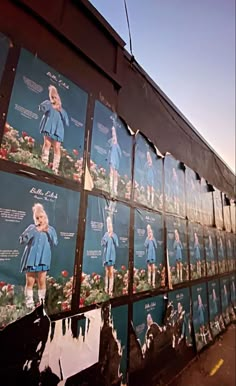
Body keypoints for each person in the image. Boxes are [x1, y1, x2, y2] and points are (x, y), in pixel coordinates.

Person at [19, 203, 58, 308]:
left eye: (41, 217)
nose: (40, 219)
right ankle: (29, 303)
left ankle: (42, 302)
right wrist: (34, 230)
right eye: (37, 217)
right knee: (30, 280)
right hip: (31, 259)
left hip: (43, 259)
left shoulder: (50, 229)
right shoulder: (32, 227)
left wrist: (47, 230)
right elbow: (22, 240)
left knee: (42, 280)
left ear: (45, 216)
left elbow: (55, 242)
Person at [39, 85, 69, 175]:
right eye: (52, 96)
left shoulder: (61, 110)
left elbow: (67, 122)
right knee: (47, 144)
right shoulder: (48, 104)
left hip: (58, 130)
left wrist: (60, 110)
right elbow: (41, 108)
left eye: (55, 97)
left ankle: (55, 169)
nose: (54, 98)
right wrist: (50, 103)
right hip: (48, 127)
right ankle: (43, 164)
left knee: (57, 147)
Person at [101, 216, 119, 296]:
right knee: (106, 273)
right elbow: (102, 243)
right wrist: (106, 239)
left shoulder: (114, 235)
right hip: (106, 256)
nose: (109, 228)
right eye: (108, 226)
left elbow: (117, 244)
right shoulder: (105, 235)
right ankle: (106, 290)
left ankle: (110, 291)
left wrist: (113, 237)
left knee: (111, 272)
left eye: (110, 226)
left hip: (112, 256)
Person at [108, 126, 122, 196]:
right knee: (111, 173)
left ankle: (115, 189)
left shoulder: (118, 146)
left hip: (116, 162)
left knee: (115, 175)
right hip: (112, 161)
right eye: (113, 136)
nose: (114, 138)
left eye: (115, 136)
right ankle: (111, 188)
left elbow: (120, 154)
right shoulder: (111, 144)